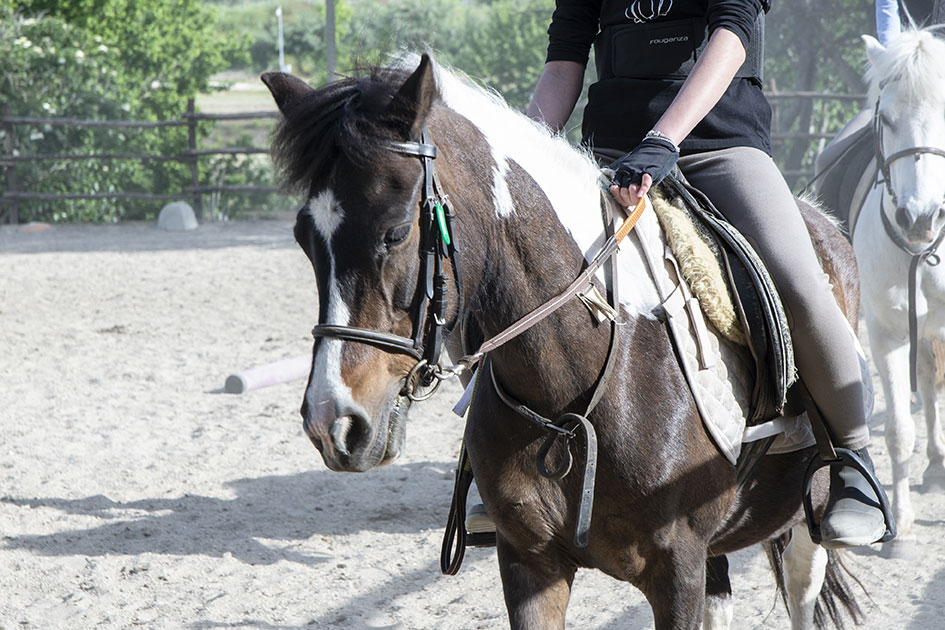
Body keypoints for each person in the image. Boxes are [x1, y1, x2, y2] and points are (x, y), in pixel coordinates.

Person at [520, 0, 889, 548]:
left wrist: (662, 140)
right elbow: (562, 65)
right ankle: (498, 462)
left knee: (798, 284)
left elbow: (734, 34)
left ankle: (853, 463)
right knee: (518, 269)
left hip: (717, 145)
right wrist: (524, 159)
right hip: (612, 157)